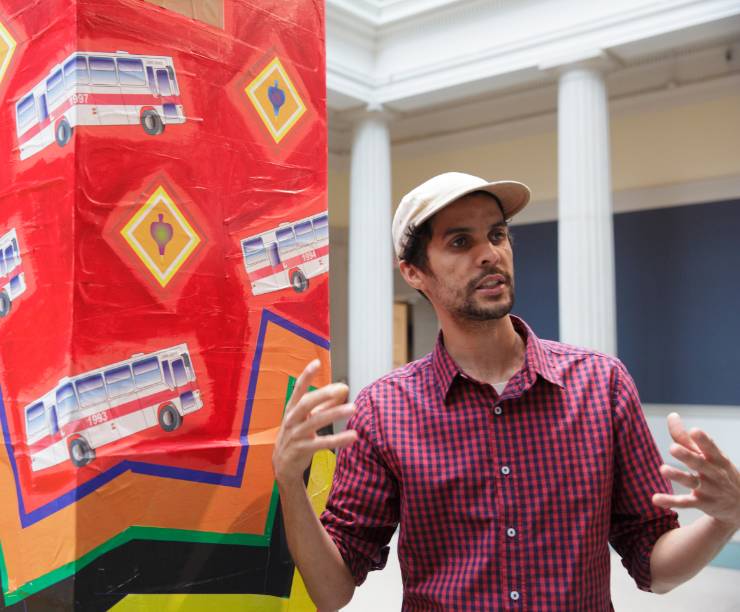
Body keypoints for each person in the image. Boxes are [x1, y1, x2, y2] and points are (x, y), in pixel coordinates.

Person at [273, 172, 740, 610]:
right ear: (414, 273)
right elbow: (332, 591)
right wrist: (290, 483)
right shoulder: (384, 410)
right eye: (461, 241)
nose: (490, 253)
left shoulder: (601, 385)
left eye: (497, 235)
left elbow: (655, 568)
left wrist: (725, 518)